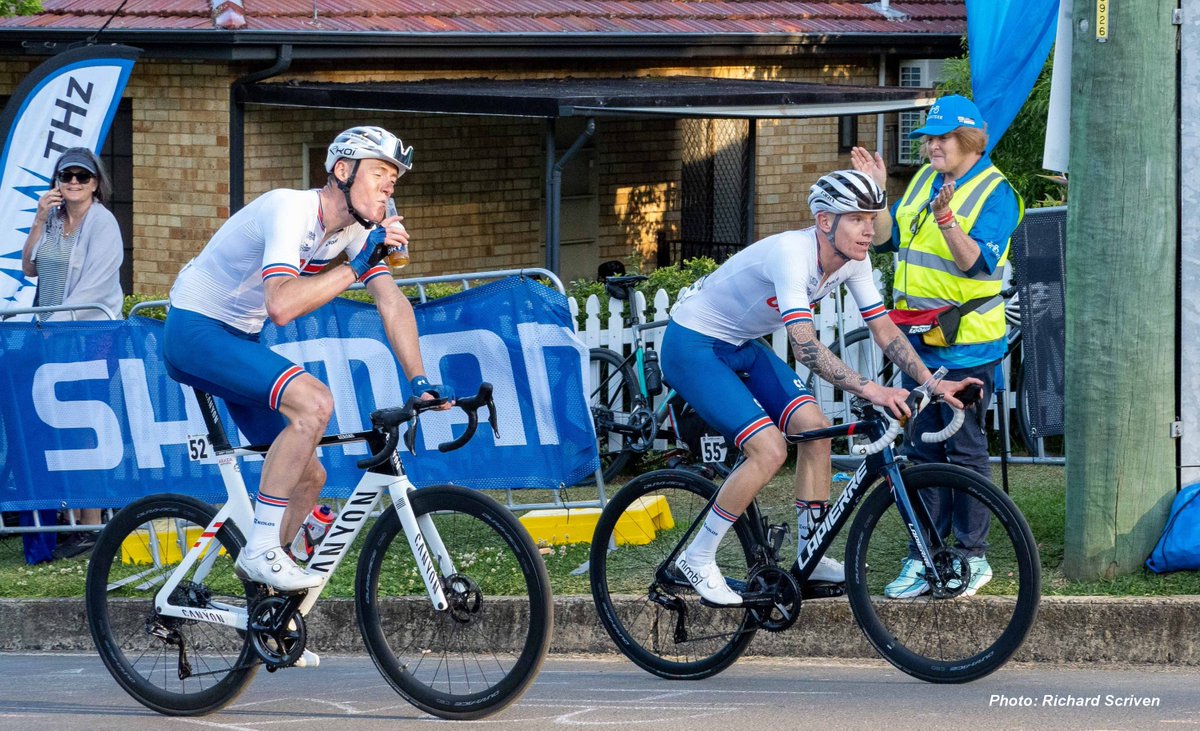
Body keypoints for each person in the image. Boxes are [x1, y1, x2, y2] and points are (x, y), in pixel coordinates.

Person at [660, 168, 981, 605]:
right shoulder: (793, 254)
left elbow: (884, 329)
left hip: (740, 344)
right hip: (693, 345)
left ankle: (809, 553)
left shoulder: (855, 260)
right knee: (770, 449)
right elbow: (806, 346)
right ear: (825, 221)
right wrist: (874, 391)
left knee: (816, 429)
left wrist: (934, 384)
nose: (869, 230)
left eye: (872, 218)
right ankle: (697, 556)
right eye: (856, 218)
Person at [163, 126, 450, 593]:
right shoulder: (291, 209)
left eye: (393, 181)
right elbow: (281, 305)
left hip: (239, 337)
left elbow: (392, 302)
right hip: (194, 329)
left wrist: (419, 380)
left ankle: (262, 598)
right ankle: (260, 549)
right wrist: (355, 267)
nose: (388, 187)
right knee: (315, 402)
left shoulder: (357, 233)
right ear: (342, 170)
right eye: (379, 173)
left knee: (309, 475)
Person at [853, 94, 1024, 599]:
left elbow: (978, 265)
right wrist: (877, 196)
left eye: (941, 137)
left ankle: (972, 559)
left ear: (969, 141)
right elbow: (888, 238)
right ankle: (924, 555)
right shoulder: (926, 180)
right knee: (920, 447)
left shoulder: (998, 193)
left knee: (966, 451)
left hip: (968, 348)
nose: (931, 146)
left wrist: (948, 221)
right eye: (927, 138)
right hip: (918, 345)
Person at [21, 146, 125, 558]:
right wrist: (37, 221)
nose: (74, 183)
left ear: (97, 182)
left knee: (86, 424)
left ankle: (92, 524)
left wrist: (53, 329)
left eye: (83, 176)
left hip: (88, 336)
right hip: (51, 337)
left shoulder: (104, 223)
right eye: (67, 176)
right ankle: (69, 522)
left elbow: (96, 289)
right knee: (59, 425)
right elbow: (31, 268)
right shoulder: (54, 219)